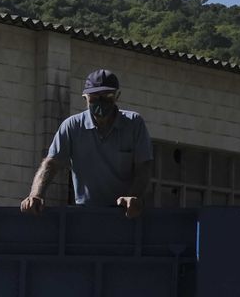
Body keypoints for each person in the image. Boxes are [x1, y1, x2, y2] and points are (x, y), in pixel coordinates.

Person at [20, 69, 154, 219]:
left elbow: (144, 166)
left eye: (107, 96)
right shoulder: (72, 126)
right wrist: (36, 195)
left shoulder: (134, 124)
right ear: (85, 98)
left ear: (117, 96)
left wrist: (134, 197)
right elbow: (51, 164)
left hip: (124, 213)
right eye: (94, 97)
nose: (100, 102)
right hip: (85, 213)